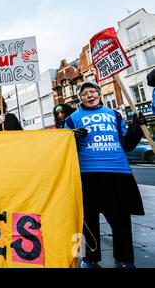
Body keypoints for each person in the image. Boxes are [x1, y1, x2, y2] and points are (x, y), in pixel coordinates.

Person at [64, 81, 146, 268]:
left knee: (121, 220)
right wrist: (73, 138)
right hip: (87, 173)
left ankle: (125, 260)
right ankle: (89, 259)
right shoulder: (71, 119)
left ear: (99, 94)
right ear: (80, 98)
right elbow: (65, 150)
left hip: (118, 172)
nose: (90, 95)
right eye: (85, 93)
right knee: (88, 220)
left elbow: (127, 145)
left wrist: (136, 130)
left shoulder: (114, 115)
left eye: (93, 91)